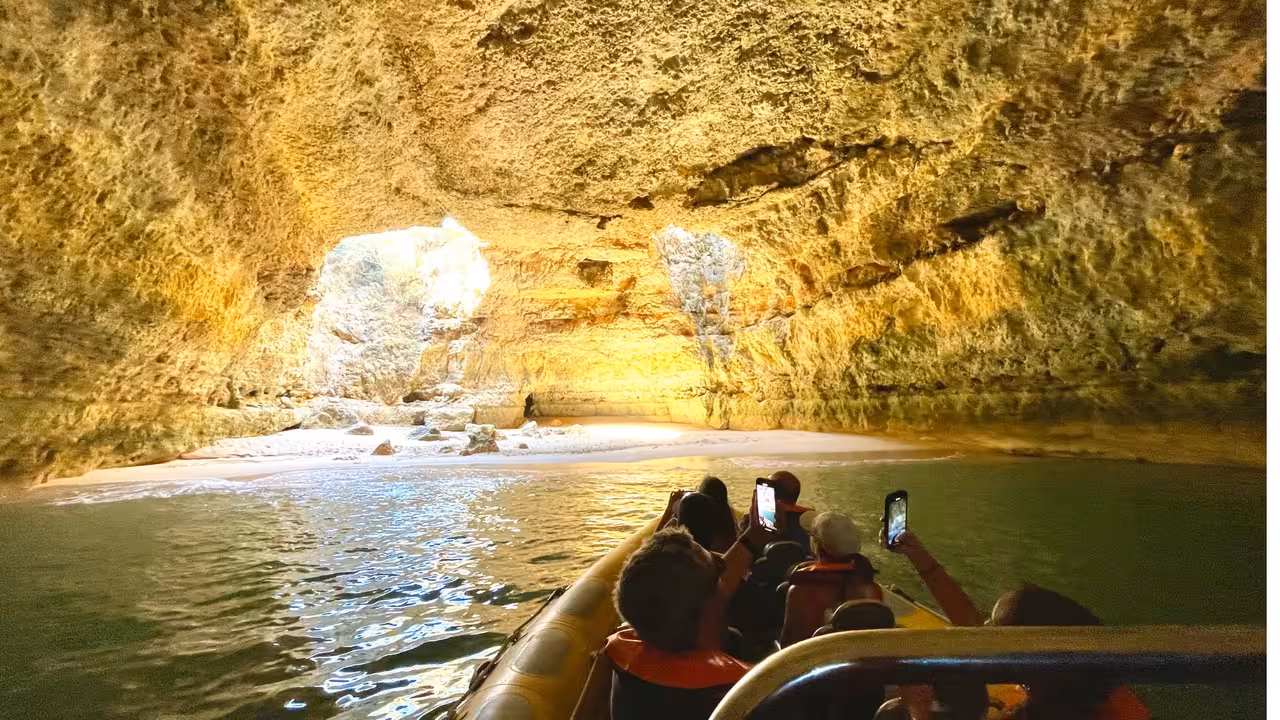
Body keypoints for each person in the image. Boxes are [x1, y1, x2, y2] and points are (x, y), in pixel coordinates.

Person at [881, 526, 1150, 720]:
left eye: (995, 627)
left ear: (1030, 651)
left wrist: (918, 711)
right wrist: (921, 559)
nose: (985, 629)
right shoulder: (1087, 684)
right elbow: (974, 629)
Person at [580, 492, 782, 720]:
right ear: (706, 608)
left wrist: (752, 537)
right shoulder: (747, 691)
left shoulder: (618, 653)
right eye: (717, 565)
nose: (722, 562)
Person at [780, 511, 884, 647]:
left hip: (815, 664)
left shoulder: (800, 591)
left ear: (817, 545)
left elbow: (787, 646)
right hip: (857, 664)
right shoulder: (872, 589)